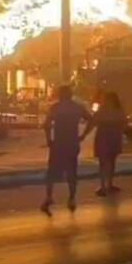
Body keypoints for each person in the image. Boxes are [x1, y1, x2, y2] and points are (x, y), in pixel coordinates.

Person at [41, 85, 94, 215]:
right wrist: (83, 136)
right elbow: (92, 121)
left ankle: (49, 197)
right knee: (72, 171)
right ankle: (71, 198)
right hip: (72, 142)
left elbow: (47, 125)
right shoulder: (77, 108)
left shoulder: (55, 108)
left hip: (58, 143)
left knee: (52, 171)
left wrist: (49, 139)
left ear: (59, 95)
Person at [92, 91, 127, 197]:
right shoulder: (117, 111)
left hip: (104, 137)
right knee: (109, 161)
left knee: (106, 162)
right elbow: (124, 123)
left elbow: (94, 121)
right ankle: (107, 185)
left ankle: (105, 185)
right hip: (112, 137)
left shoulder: (102, 111)